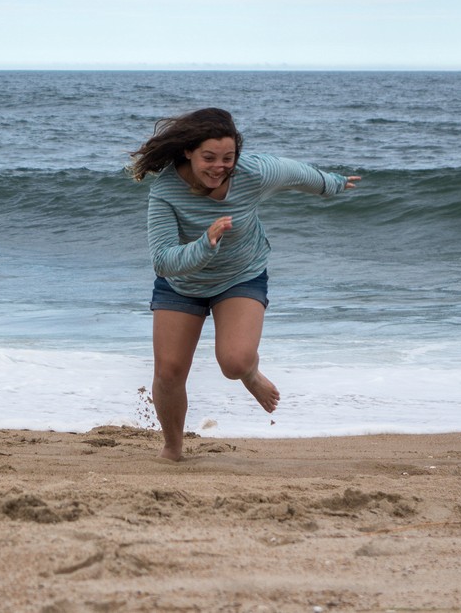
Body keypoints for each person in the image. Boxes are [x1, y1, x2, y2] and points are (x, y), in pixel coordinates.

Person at [128, 108, 360, 461]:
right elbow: (163, 260)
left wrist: (333, 184)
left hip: (240, 275)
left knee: (234, 362)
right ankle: (173, 448)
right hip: (181, 284)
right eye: (209, 157)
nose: (219, 167)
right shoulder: (165, 192)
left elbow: (296, 173)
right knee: (169, 372)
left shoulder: (252, 172)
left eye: (228, 158)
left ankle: (250, 374)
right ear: (188, 152)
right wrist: (205, 245)